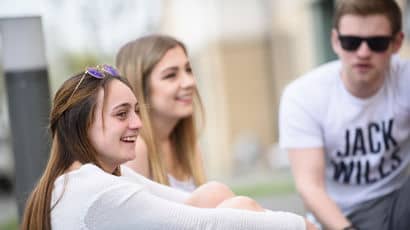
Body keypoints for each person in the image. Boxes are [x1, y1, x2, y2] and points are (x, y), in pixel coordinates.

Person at [21, 64, 313, 229]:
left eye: (136, 111)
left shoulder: (89, 177)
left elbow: (186, 203)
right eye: (122, 114)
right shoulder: (96, 190)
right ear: (81, 124)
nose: (137, 123)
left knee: (219, 195)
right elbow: (201, 225)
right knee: (240, 208)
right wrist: (302, 225)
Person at [279, 0, 410, 229]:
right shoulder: (303, 96)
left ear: (397, 43)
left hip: (398, 204)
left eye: (377, 43)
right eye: (351, 42)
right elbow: (310, 187)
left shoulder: (405, 80)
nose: (363, 53)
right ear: (335, 41)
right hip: (342, 217)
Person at [115, 35, 206, 192]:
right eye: (171, 75)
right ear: (140, 88)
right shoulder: (136, 149)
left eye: (188, 70)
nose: (189, 82)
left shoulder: (189, 146)